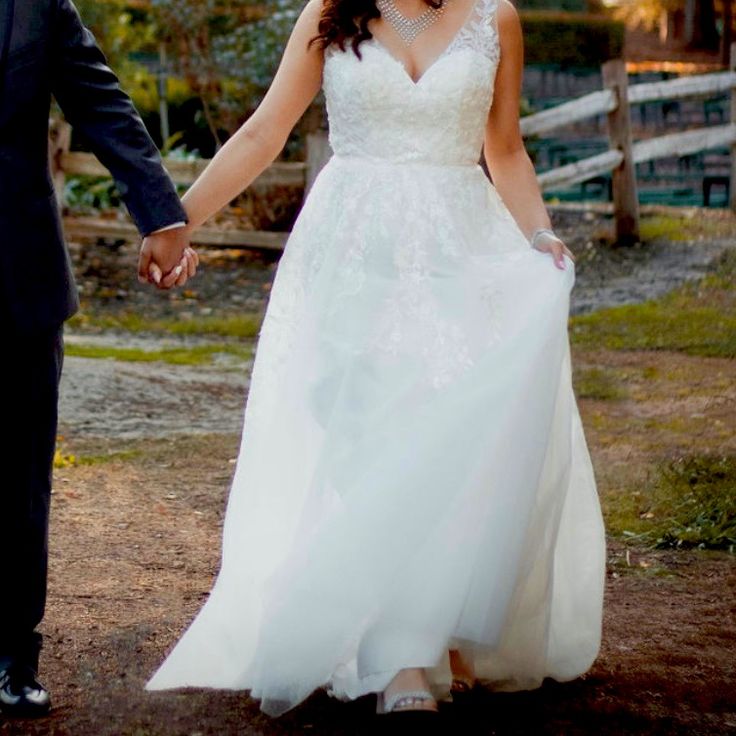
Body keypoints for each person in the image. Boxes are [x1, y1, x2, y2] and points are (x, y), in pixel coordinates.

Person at [146, 0, 606, 725]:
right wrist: (177, 221)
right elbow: (266, 131)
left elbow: (506, 149)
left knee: (440, 447)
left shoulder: (496, 18)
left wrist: (540, 234)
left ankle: (427, 622)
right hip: (353, 258)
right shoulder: (330, 13)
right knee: (365, 440)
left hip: (461, 255)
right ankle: (400, 655)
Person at [0, 0, 199, 718]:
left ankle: (11, 651)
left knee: (20, 476)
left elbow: (102, 104)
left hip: (15, 271)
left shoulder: (36, 6)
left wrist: (162, 217)